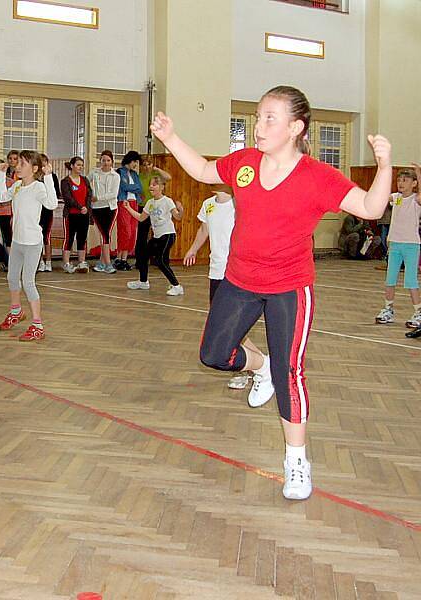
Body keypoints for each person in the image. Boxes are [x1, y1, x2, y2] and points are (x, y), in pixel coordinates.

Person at [151, 84, 392, 500]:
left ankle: (296, 461)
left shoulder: (317, 176)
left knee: (290, 372)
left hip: (289, 287)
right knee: (214, 354)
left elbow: (371, 208)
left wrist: (384, 165)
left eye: (269, 118)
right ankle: (257, 366)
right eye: (258, 116)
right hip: (241, 280)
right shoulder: (245, 163)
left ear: (296, 127)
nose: (258, 125)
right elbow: (206, 172)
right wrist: (171, 138)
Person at [183, 186, 269, 394]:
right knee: (226, 329)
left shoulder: (238, 204)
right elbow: (204, 229)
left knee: (230, 329)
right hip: (216, 273)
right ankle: (263, 365)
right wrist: (193, 249)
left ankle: (252, 369)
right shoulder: (208, 205)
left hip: (236, 275)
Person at [0, 150, 58, 340]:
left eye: (22, 164)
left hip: (32, 243)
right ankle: (16, 312)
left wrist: (48, 177)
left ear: (35, 169)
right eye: (18, 163)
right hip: (17, 242)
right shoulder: (16, 186)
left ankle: (37, 324)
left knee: (28, 282)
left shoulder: (39, 187)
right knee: (12, 278)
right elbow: (1, 198)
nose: (18, 166)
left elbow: (52, 204)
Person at [374, 166, 421, 328]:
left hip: (411, 245)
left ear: (414, 183)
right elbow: (380, 197)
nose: (400, 183)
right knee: (390, 279)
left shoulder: (416, 199)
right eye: (399, 180)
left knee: (410, 280)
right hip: (395, 244)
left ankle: (418, 312)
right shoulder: (395, 197)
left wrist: (419, 175)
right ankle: (388, 310)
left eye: (405, 180)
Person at [123, 173, 185, 295]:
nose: (151, 187)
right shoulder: (150, 203)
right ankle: (143, 282)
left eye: (155, 185)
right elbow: (141, 218)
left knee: (160, 261)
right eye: (150, 185)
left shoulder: (167, 201)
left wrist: (181, 210)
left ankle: (177, 286)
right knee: (143, 256)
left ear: (162, 187)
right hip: (156, 236)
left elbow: (177, 217)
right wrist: (128, 208)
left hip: (167, 234)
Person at [89, 150, 120, 273]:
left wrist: (99, 197)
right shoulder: (94, 173)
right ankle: (105, 263)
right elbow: (85, 182)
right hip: (96, 208)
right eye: (103, 160)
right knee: (103, 235)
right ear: (100, 161)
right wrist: (91, 195)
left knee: (106, 235)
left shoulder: (115, 176)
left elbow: (113, 194)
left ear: (112, 162)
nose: (106, 163)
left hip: (110, 208)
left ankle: (105, 263)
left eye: (108, 160)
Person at [60, 156, 93, 274]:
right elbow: (68, 198)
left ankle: (81, 262)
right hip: (71, 214)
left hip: (84, 214)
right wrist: (80, 207)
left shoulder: (85, 180)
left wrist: (87, 208)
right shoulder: (65, 181)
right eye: (78, 164)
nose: (80, 167)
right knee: (69, 238)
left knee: (82, 238)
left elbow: (89, 195)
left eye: (82, 165)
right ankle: (66, 263)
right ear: (72, 166)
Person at [114, 151, 144, 271]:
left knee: (132, 231)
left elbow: (140, 188)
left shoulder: (134, 174)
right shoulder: (119, 172)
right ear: (129, 160)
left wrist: (133, 187)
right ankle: (119, 258)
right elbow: (123, 187)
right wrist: (134, 187)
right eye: (135, 162)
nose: (135, 165)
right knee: (125, 230)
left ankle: (124, 259)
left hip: (134, 203)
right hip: (124, 202)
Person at [37, 153, 60, 272]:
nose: (42, 164)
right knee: (38, 237)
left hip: (47, 210)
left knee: (47, 236)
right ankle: (40, 261)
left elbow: (56, 193)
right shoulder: (34, 178)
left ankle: (49, 261)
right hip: (36, 210)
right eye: (40, 162)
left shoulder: (53, 176)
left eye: (44, 162)